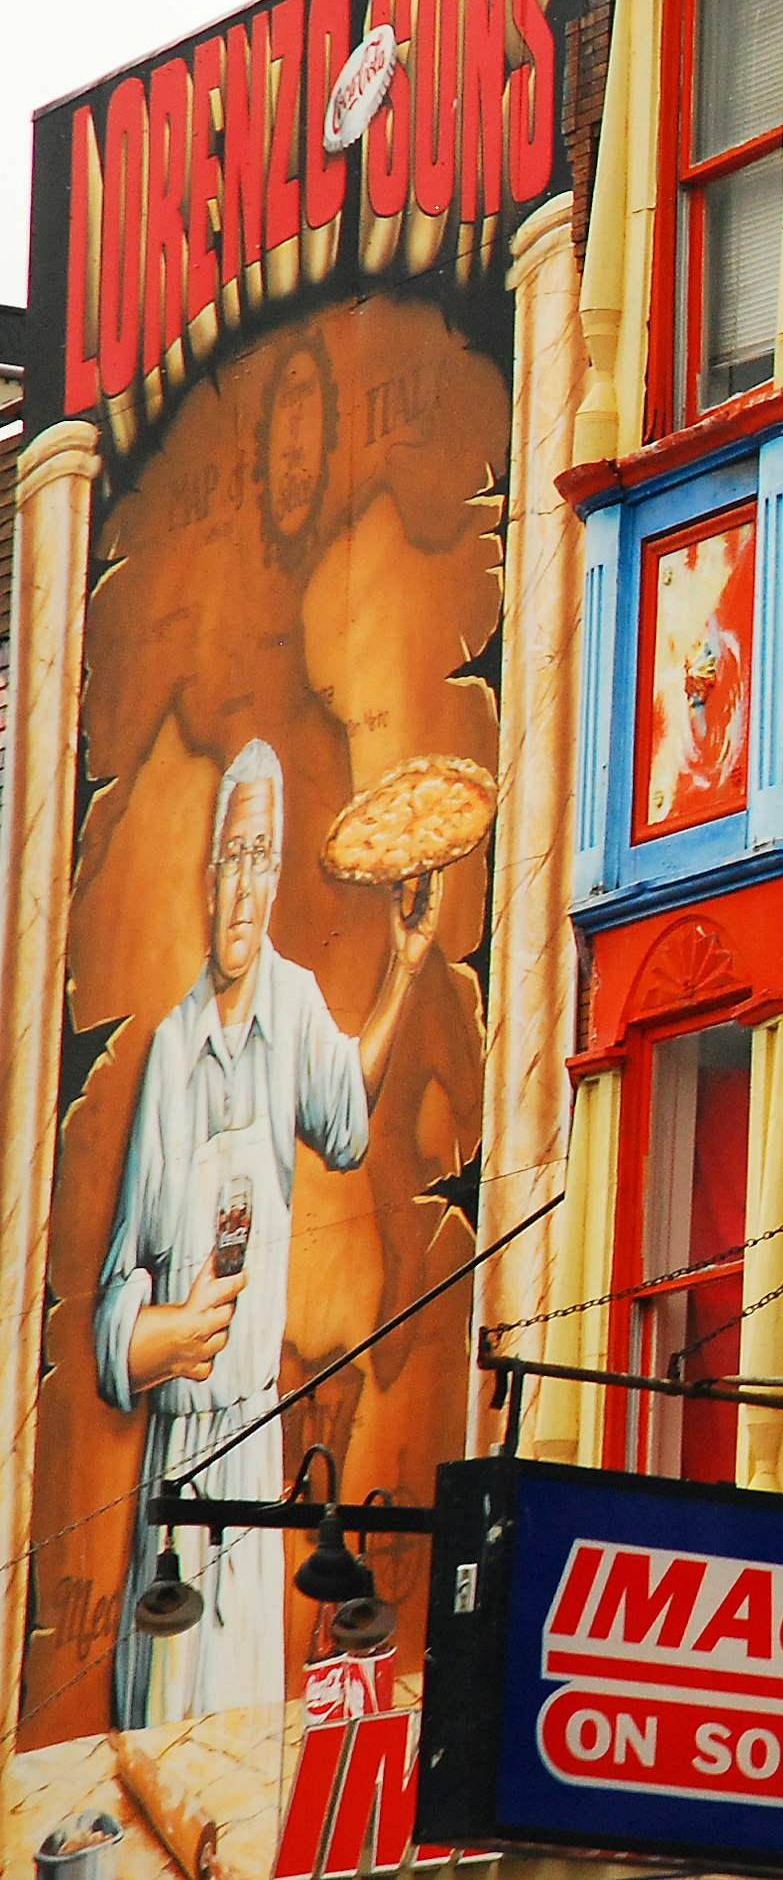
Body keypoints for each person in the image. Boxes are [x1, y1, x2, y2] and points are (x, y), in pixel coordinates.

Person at [95, 740, 431, 1728]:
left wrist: (407, 968)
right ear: (208, 877)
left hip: (249, 1433)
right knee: (157, 1713)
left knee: (238, 1718)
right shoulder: (170, 1051)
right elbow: (119, 1282)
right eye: (232, 858)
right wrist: (159, 1337)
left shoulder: (292, 1006)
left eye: (262, 860)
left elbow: (342, 1116)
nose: (245, 886)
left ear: (277, 876)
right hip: (175, 1446)